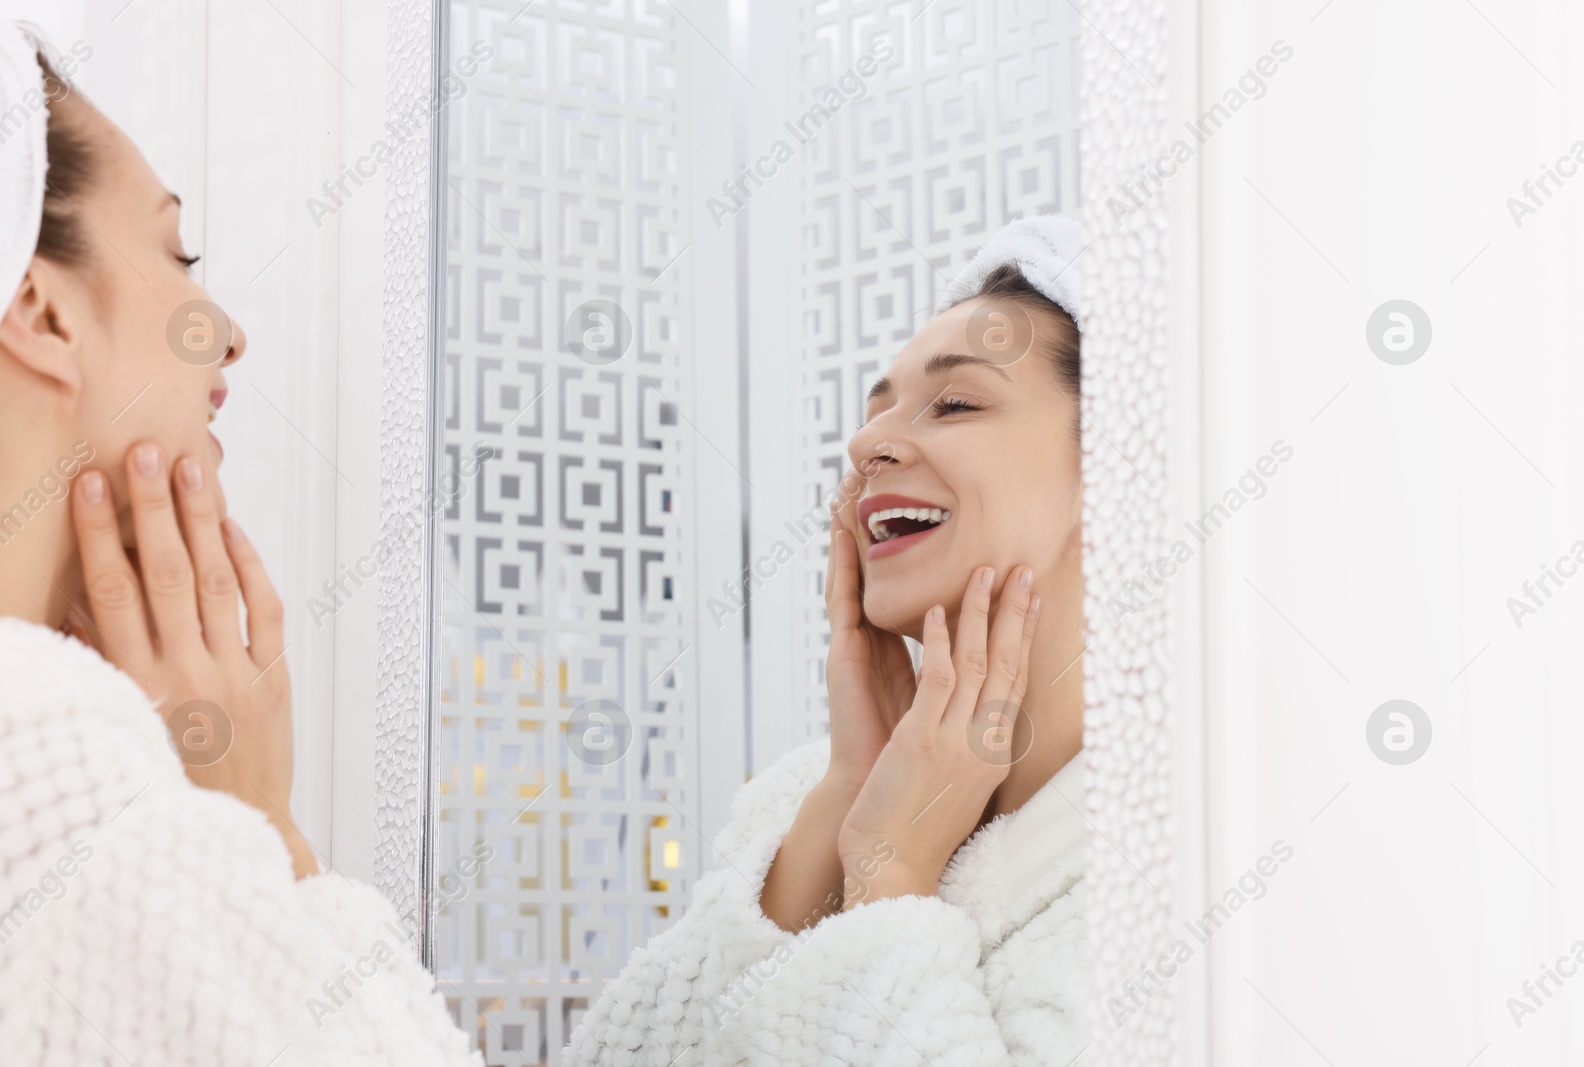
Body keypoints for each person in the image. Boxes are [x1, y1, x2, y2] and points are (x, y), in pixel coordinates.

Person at [0, 25, 482, 1066]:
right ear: (38, 307)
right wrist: (267, 830)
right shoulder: (53, 763)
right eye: (179, 254)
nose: (225, 328)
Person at [563, 216, 1091, 1065]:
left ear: (1121, 462)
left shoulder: (1166, 859)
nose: (866, 444)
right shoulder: (800, 795)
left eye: (955, 403)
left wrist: (892, 877)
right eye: (877, 412)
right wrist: (848, 792)